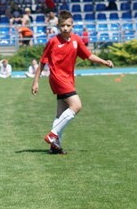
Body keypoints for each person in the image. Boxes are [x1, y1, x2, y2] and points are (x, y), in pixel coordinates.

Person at [31, 10, 114, 155]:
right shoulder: (52, 42)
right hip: (58, 78)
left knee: (60, 113)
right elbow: (42, 62)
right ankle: (53, 134)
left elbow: (88, 55)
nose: (65, 28)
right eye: (62, 25)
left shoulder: (76, 40)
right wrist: (36, 81)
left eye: (68, 25)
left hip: (68, 79)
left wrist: (104, 62)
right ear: (58, 26)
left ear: (72, 26)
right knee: (77, 105)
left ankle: (54, 147)